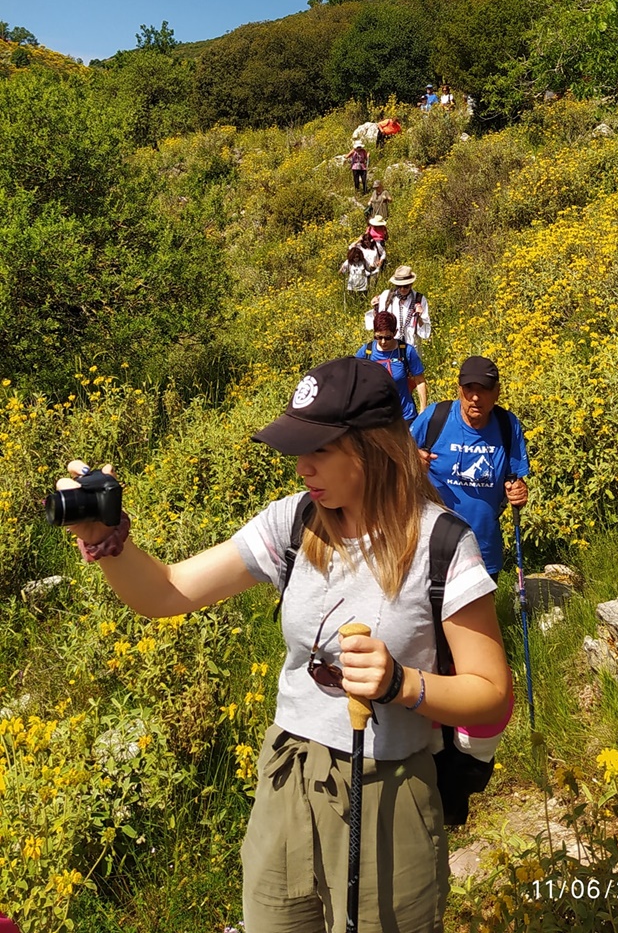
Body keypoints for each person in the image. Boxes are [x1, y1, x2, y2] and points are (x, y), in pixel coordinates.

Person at [56, 357, 509, 933]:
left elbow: (491, 693)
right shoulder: (294, 523)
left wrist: (403, 684)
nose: (301, 468)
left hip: (387, 792)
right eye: (297, 450)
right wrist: (104, 536)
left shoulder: (443, 544)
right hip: (285, 780)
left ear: (372, 448)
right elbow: (169, 592)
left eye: (318, 450)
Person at [410, 357, 529, 581]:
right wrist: (412, 464)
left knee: (480, 615)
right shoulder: (436, 418)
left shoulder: (508, 425)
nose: (475, 397)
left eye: (483, 389)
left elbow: (516, 480)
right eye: (468, 389)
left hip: (482, 547)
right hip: (432, 544)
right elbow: (394, 463)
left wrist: (519, 492)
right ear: (459, 390)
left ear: (497, 392)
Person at [356, 311, 427, 422]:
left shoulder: (406, 351)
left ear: (395, 332)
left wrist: (423, 410)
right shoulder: (366, 352)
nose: (383, 342)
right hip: (376, 419)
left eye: (388, 337)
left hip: (405, 417)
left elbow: (420, 381)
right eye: (379, 337)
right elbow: (355, 381)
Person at [365, 265, 431, 344]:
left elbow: (425, 330)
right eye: (399, 286)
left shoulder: (419, 299)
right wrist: (375, 307)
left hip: (411, 344)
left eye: (406, 286)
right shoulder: (386, 295)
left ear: (411, 284)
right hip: (389, 343)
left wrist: (419, 316)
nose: (402, 289)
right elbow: (378, 319)